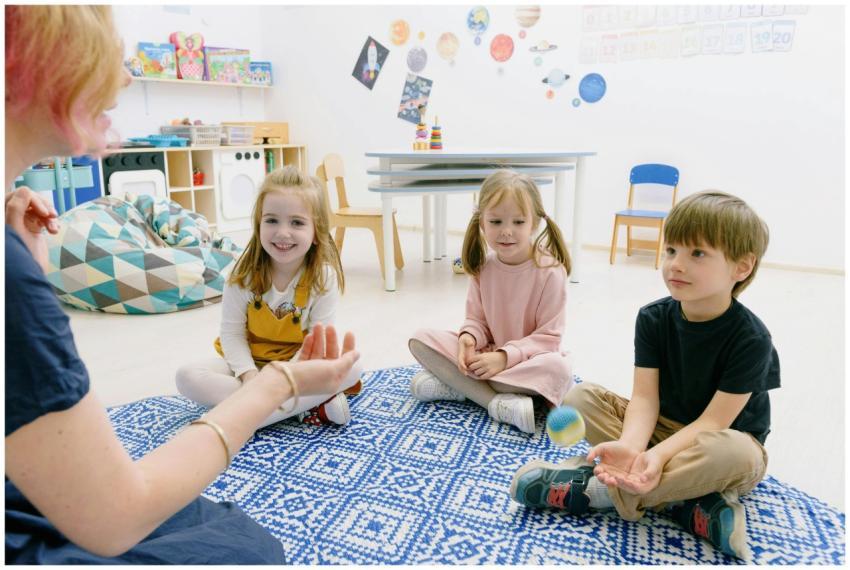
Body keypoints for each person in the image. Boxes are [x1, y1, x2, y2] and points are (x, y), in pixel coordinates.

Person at [5, 5, 359, 563]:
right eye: (100, 53)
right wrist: (269, 384)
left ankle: (308, 397)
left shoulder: (15, 258)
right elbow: (114, 518)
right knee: (249, 549)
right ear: (28, 66)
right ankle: (307, 401)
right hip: (250, 379)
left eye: (297, 223)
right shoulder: (13, 280)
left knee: (242, 532)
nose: (124, 79)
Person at [510, 191, 779, 560]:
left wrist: (658, 455)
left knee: (736, 454)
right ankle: (685, 502)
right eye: (670, 251)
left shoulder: (752, 338)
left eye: (696, 254)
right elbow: (645, 398)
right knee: (579, 398)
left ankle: (600, 493)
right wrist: (634, 448)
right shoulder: (653, 318)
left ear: (741, 267)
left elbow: (714, 422)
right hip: (659, 429)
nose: (675, 265)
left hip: (717, 439)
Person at [175, 165, 362, 428]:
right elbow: (232, 335)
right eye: (272, 220)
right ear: (258, 224)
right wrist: (251, 377)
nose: (283, 232)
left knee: (354, 366)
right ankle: (300, 408)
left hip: (297, 368)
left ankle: (237, 418)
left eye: (296, 222)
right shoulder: (241, 274)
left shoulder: (324, 277)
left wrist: (282, 379)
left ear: (317, 232)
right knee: (187, 376)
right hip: (248, 365)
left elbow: (316, 342)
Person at [408, 169, 573, 434]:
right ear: (482, 223)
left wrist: (504, 358)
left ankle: (459, 387)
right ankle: (493, 401)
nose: (506, 231)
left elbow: (548, 339)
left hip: (528, 362)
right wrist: (468, 339)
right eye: (496, 222)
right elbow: (477, 320)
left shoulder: (551, 272)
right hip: (488, 360)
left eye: (518, 222)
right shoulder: (483, 268)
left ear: (535, 223)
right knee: (420, 339)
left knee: (558, 369)